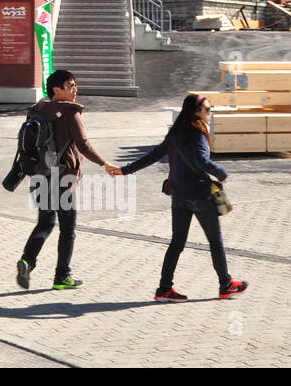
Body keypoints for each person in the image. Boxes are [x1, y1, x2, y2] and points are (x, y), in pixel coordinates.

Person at [119, 93, 248, 301]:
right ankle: (226, 285)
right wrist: (220, 173)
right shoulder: (197, 133)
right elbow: (200, 160)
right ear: (196, 112)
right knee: (215, 242)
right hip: (200, 195)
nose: (210, 113)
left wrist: (125, 170)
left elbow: (153, 155)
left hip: (179, 196)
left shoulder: (176, 132)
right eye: (207, 109)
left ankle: (164, 289)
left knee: (177, 243)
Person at [16, 69, 120, 291]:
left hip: (40, 175)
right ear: (57, 90)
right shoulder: (70, 113)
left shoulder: (36, 110)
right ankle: (62, 276)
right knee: (68, 229)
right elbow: (84, 145)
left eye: (75, 85)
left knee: (44, 223)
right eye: (70, 86)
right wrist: (105, 163)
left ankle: (27, 260)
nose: (75, 90)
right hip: (64, 178)